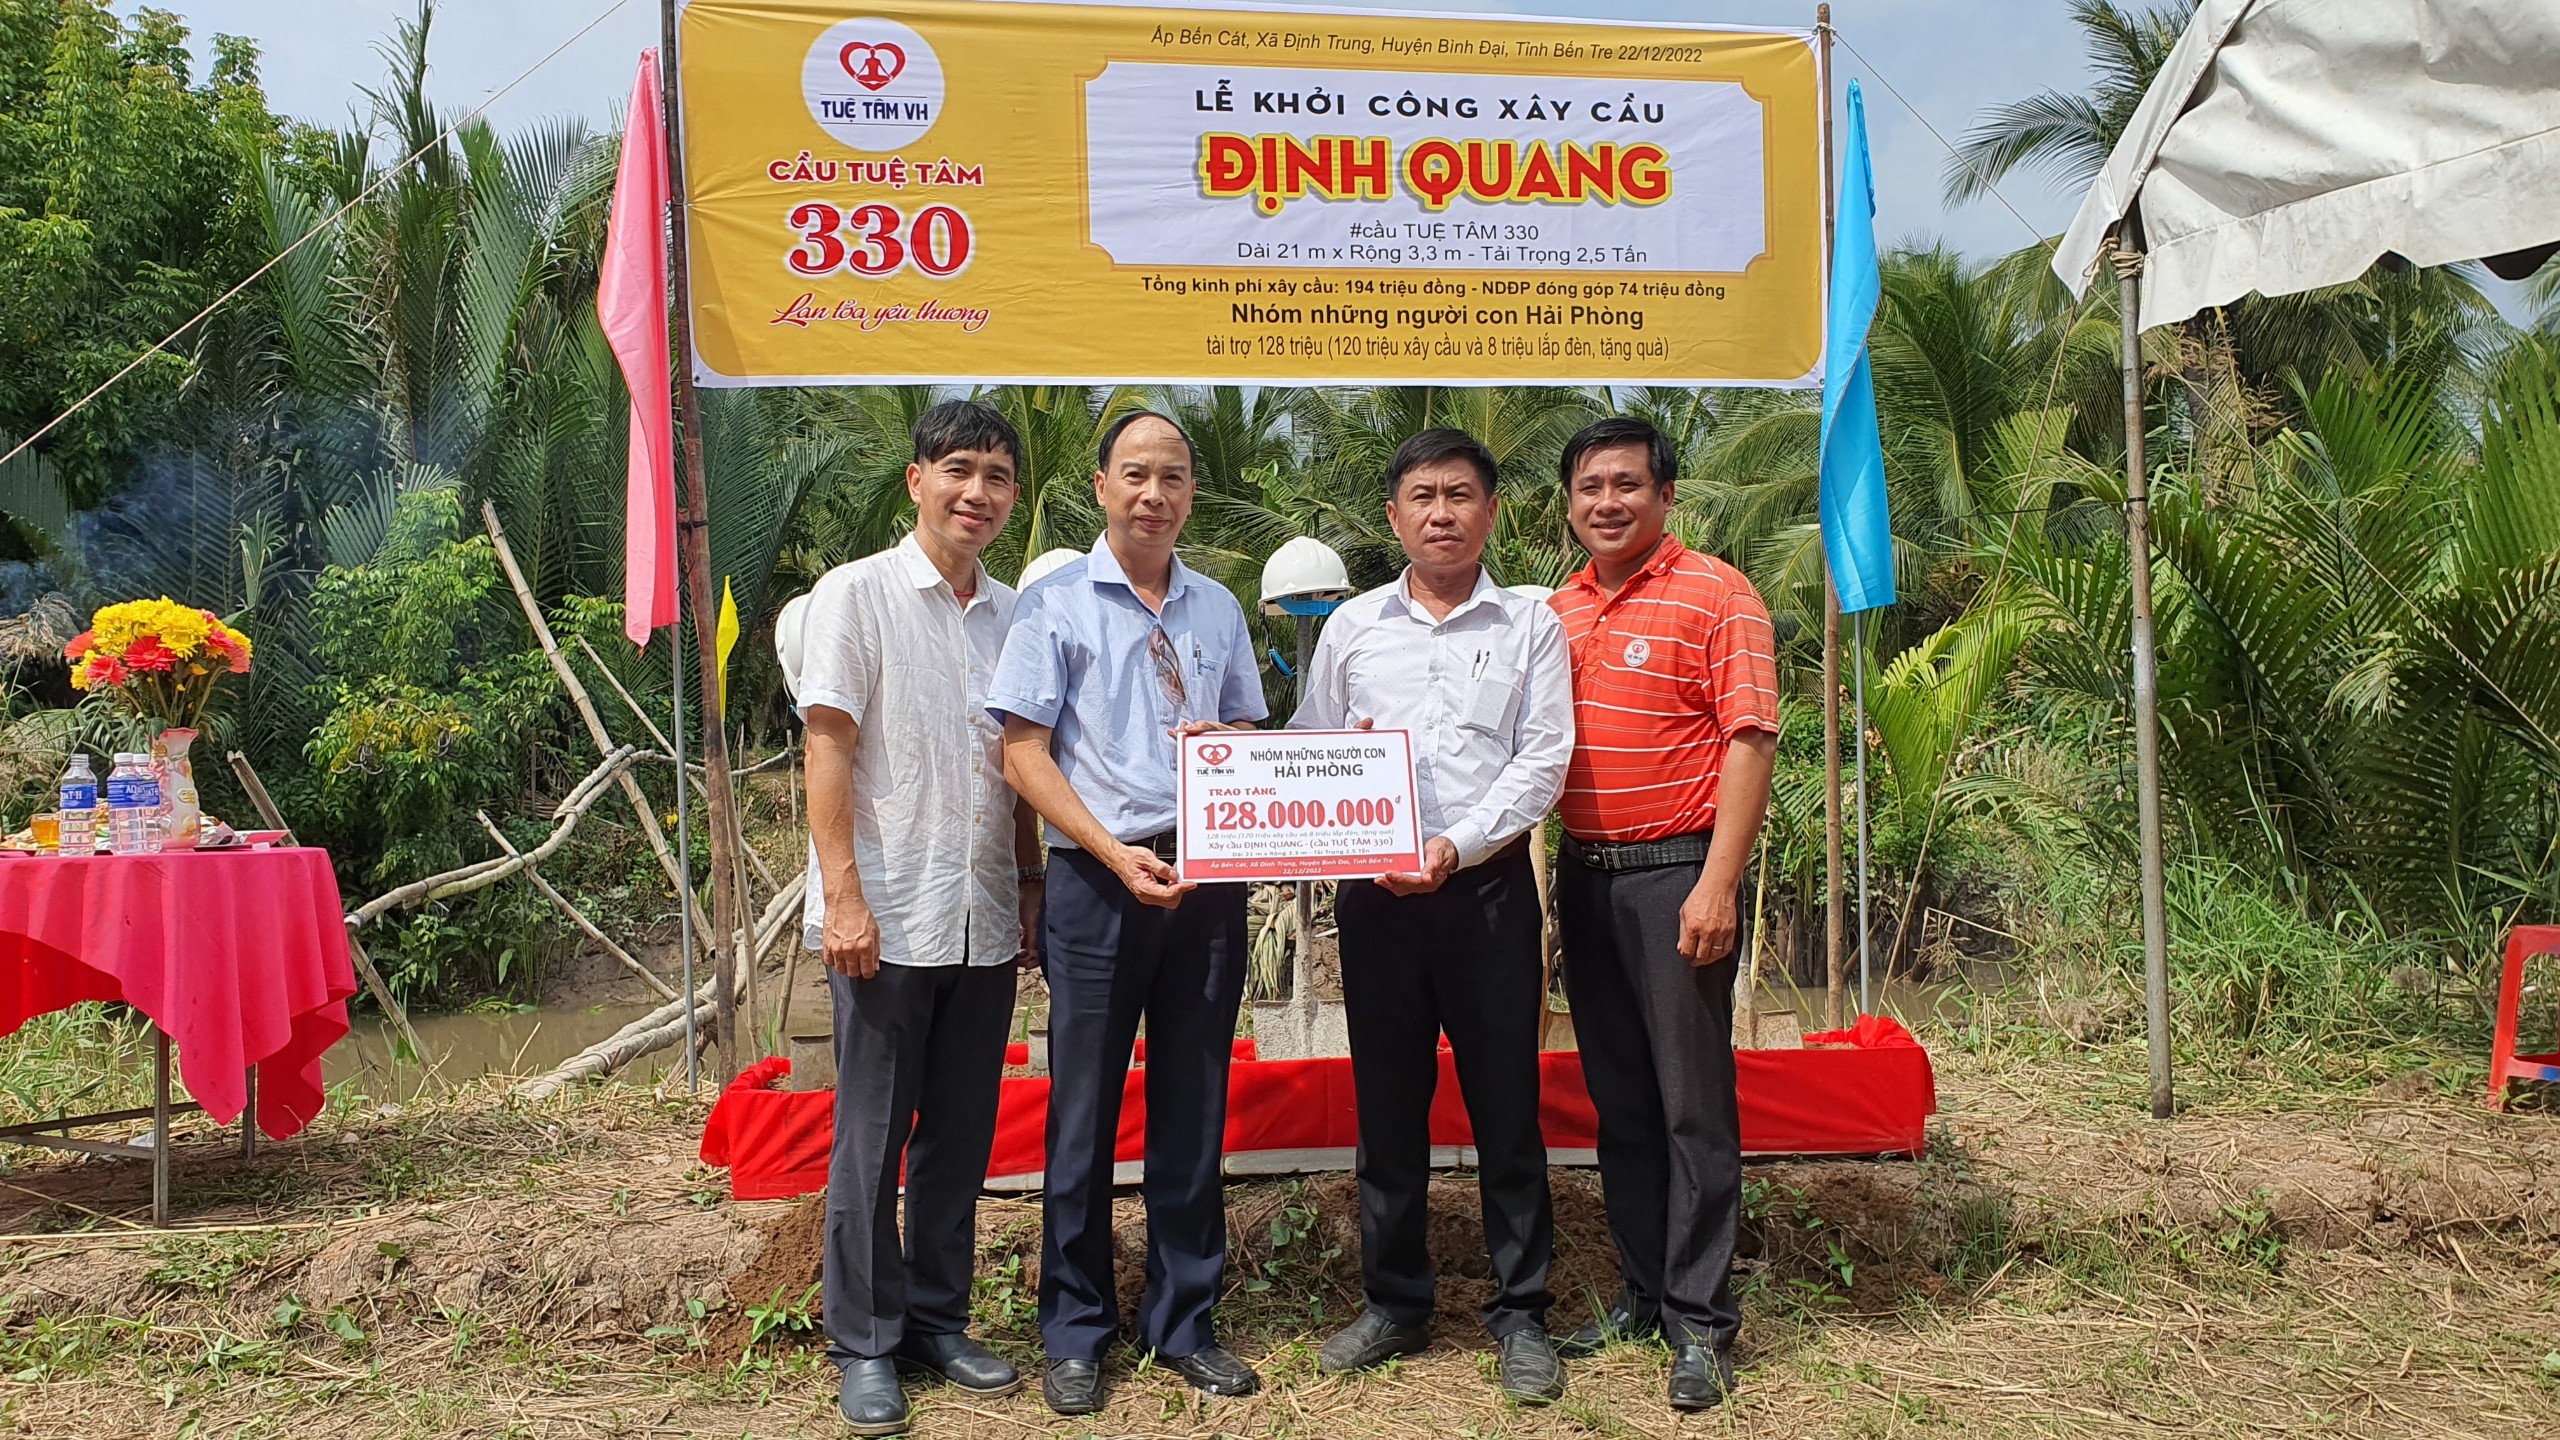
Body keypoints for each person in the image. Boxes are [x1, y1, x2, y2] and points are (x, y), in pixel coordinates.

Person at [988, 411, 1269, 1415]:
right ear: (1102, 486)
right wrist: (1113, 853)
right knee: (1083, 1110)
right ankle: (1074, 1330)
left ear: (1191, 492)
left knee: (1194, 1103)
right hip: (1097, 880)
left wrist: (1228, 743)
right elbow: (1021, 753)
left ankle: (1184, 1321)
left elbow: (1249, 730)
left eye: (1174, 477)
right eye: (1137, 475)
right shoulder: (1054, 604)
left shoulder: (1218, 608)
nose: (1156, 495)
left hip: (1207, 876)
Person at [1290, 429, 1575, 1401]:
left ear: (1491, 511)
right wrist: (1235, 757)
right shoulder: (1352, 627)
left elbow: (1543, 758)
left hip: (1486, 895)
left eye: (1460, 495)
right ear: (1393, 515)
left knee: (1507, 1106)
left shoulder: (1530, 623)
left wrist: (1456, 845)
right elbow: (1310, 746)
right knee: (1388, 1107)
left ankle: (1522, 1311)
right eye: (1422, 496)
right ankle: (1395, 1303)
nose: (1441, 513)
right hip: (1375, 902)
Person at [797, 399, 1045, 1436]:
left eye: (997, 477)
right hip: (887, 916)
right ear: (917, 480)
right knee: (870, 1137)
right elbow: (828, 746)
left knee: (959, 1133)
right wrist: (844, 897)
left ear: (1014, 496)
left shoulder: (1014, 616)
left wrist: (1028, 883)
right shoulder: (855, 595)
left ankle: (939, 1323)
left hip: (980, 913)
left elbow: (1021, 760)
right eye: (959, 471)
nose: (977, 493)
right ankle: (865, 1343)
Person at [1544, 416, 1779, 1411]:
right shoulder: (1555, 612)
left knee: (1692, 1105)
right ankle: (1643, 1292)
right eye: (1589, 487)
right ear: (1569, 504)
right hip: (1585, 878)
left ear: (1665, 495)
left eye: (1626, 484)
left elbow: (1749, 739)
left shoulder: (1718, 594)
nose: (1607, 502)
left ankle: (1701, 1322)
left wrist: (1717, 883)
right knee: (1623, 1102)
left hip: (1677, 875)